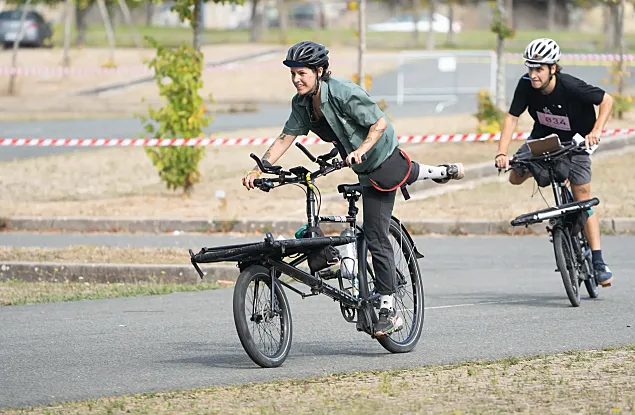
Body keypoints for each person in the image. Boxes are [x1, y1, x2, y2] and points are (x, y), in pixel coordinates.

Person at [242, 41, 464, 337]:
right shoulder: (302, 103)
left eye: (303, 73)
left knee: (376, 232)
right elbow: (286, 137)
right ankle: (437, 172)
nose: (297, 79)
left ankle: (388, 309)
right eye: (293, 74)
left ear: (320, 71)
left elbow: (379, 123)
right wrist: (260, 169)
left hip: (381, 157)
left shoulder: (343, 92)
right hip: (357, 164)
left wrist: (361, 150)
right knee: (330, 223)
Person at [494, 37, 614, 287]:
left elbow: (607, 100)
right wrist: (502, 153)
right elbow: (511, 119)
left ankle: (598, 259)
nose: (533, 74)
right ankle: (532, 168)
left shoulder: (571, 86)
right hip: (544, 139)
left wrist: (596, 130)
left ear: (553, 69)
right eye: (530, 68)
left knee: (582, 197)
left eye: (539, 69)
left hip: (577, 141)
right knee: (514, 177)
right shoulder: (526, 85)